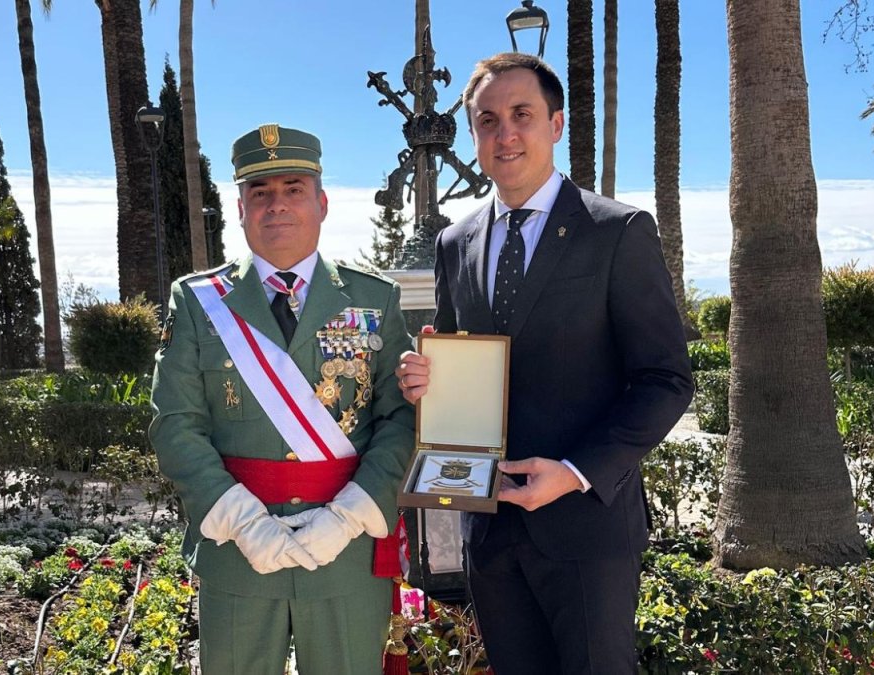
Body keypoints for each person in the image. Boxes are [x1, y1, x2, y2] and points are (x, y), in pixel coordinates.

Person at [397, 53, 694, 674]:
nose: (505, 134)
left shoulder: (617, 231)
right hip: (491, 528)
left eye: (521, 115)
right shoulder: (455, 244)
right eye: (487, 120)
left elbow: (665, 380)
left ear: (556, 124)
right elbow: (459, 368)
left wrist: (576, 471)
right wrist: (426, 381)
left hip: (586, 530)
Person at [150, 123, 415, 675]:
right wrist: (245, 522)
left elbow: (400, 417)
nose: (277, 205)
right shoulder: (200, 302)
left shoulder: (375, 299)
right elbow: (175, 425)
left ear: (321, 202)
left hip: (345, 553)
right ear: (240, 208)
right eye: (260, 193)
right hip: (238, 555)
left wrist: (346, 518)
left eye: (293, 188)